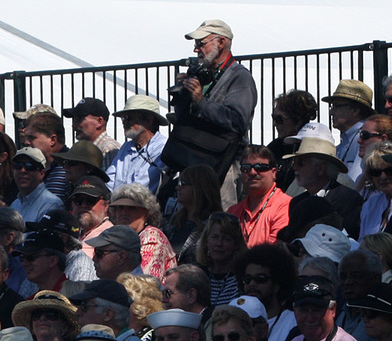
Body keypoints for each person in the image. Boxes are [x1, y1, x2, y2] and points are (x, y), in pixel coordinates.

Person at [171, 18, 257, 195]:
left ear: (221, 42)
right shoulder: (204, 75)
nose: (196, 49)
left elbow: (237, 121)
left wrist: (201, 101)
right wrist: (184, 97)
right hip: (196, 159)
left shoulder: (240, 77)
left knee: (218, 217)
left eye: (201, 43)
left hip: (224, 166)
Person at [228, 146, 291, 246]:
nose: (252, 172)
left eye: (260, 167)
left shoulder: (286, 207)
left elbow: (276, 252)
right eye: (246, 168)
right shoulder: (233, 212)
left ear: (274, 173)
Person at [105, 95, 168, 193]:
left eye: (129, 118)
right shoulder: (126, 147)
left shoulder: (162, 148)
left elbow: (140, 189)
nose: (124, 122)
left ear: (149, 120)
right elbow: (108, 181)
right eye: (123, 118)